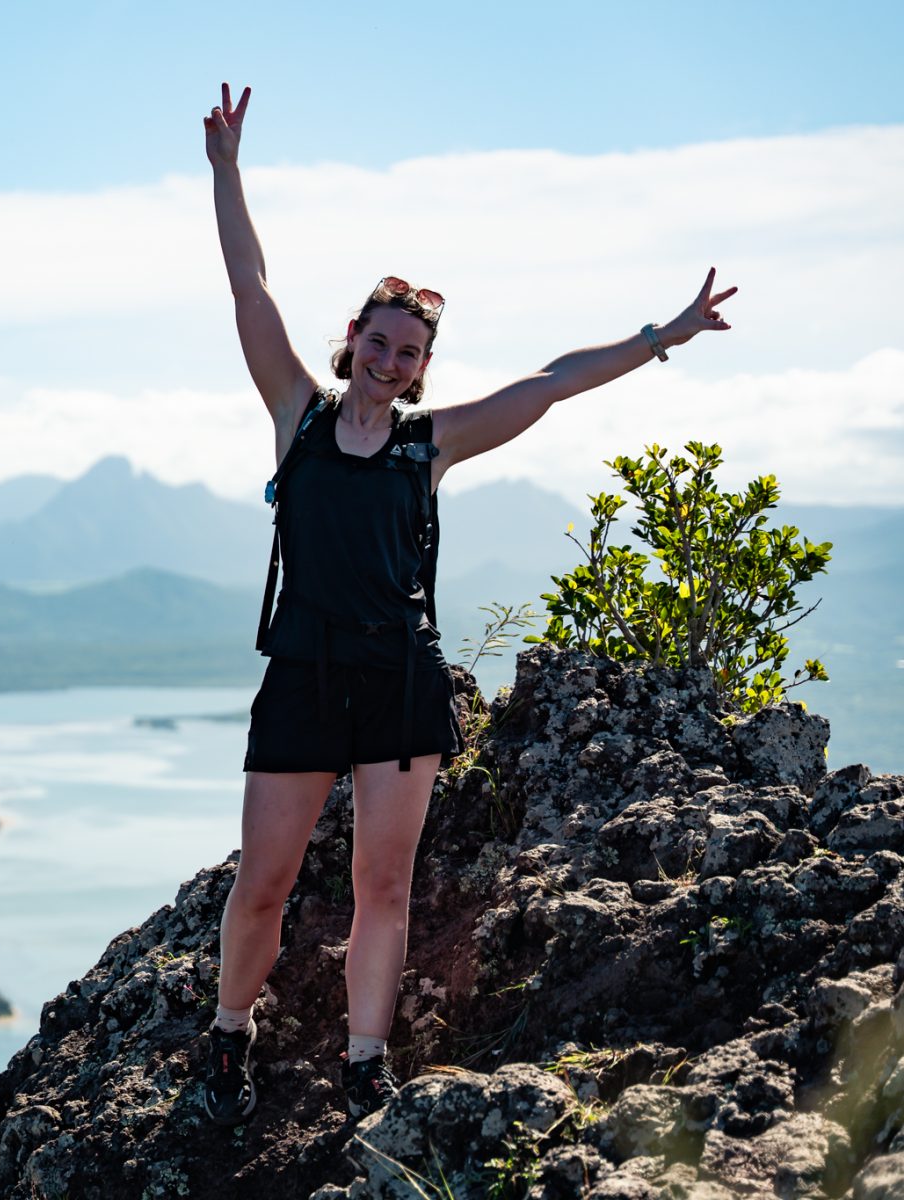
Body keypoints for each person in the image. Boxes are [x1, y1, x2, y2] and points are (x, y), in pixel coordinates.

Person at [197, 81, 737, 1125]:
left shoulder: (427, 443)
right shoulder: (296, 415)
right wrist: (226, 172)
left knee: (382, 890)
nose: (390, 362)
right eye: (379, 341)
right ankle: (229, 1033)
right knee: (261, 886)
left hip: (398, 680)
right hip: (302, 676)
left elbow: (555, 380)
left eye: (410, 353)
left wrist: (663, 333)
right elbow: (247, 287)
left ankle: (364, 1062)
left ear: (420, 369)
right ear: (351, 338)